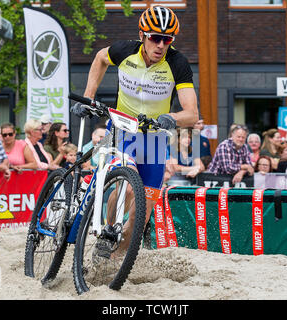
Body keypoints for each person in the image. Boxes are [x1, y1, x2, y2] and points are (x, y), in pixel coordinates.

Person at [71, 5, 198, 253]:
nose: (161, 45)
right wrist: (88, 97)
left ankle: (118, 260)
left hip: (154, 140)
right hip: (123, 129)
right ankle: (106, 234)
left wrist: (172, 117)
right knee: (126, 186)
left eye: (167, 39)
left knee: (144, 208)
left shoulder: (177, 63)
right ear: (142, 35)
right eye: (155, 38)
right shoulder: (125, 50)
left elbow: (192, 113)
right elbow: (99, 58)